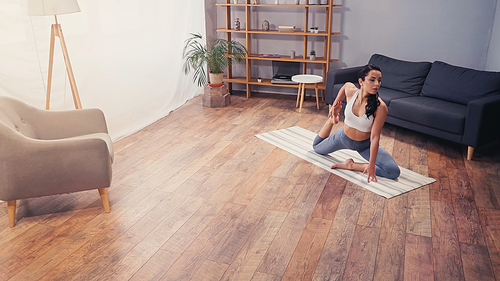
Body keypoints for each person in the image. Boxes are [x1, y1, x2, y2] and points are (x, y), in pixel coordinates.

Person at [313, 64, 400, 182]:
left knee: (393, 171)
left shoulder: (380, 107)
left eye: (379, 80)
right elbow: (345, 86)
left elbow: (375, 137)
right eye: (372, 80)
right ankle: (331, 121)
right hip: (342, 137)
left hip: (364, 145)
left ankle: (351, 165)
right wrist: (334, 106)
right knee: (317, 148)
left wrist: (371, 164)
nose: (377, 84)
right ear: (361, 81)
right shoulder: (351, 92)